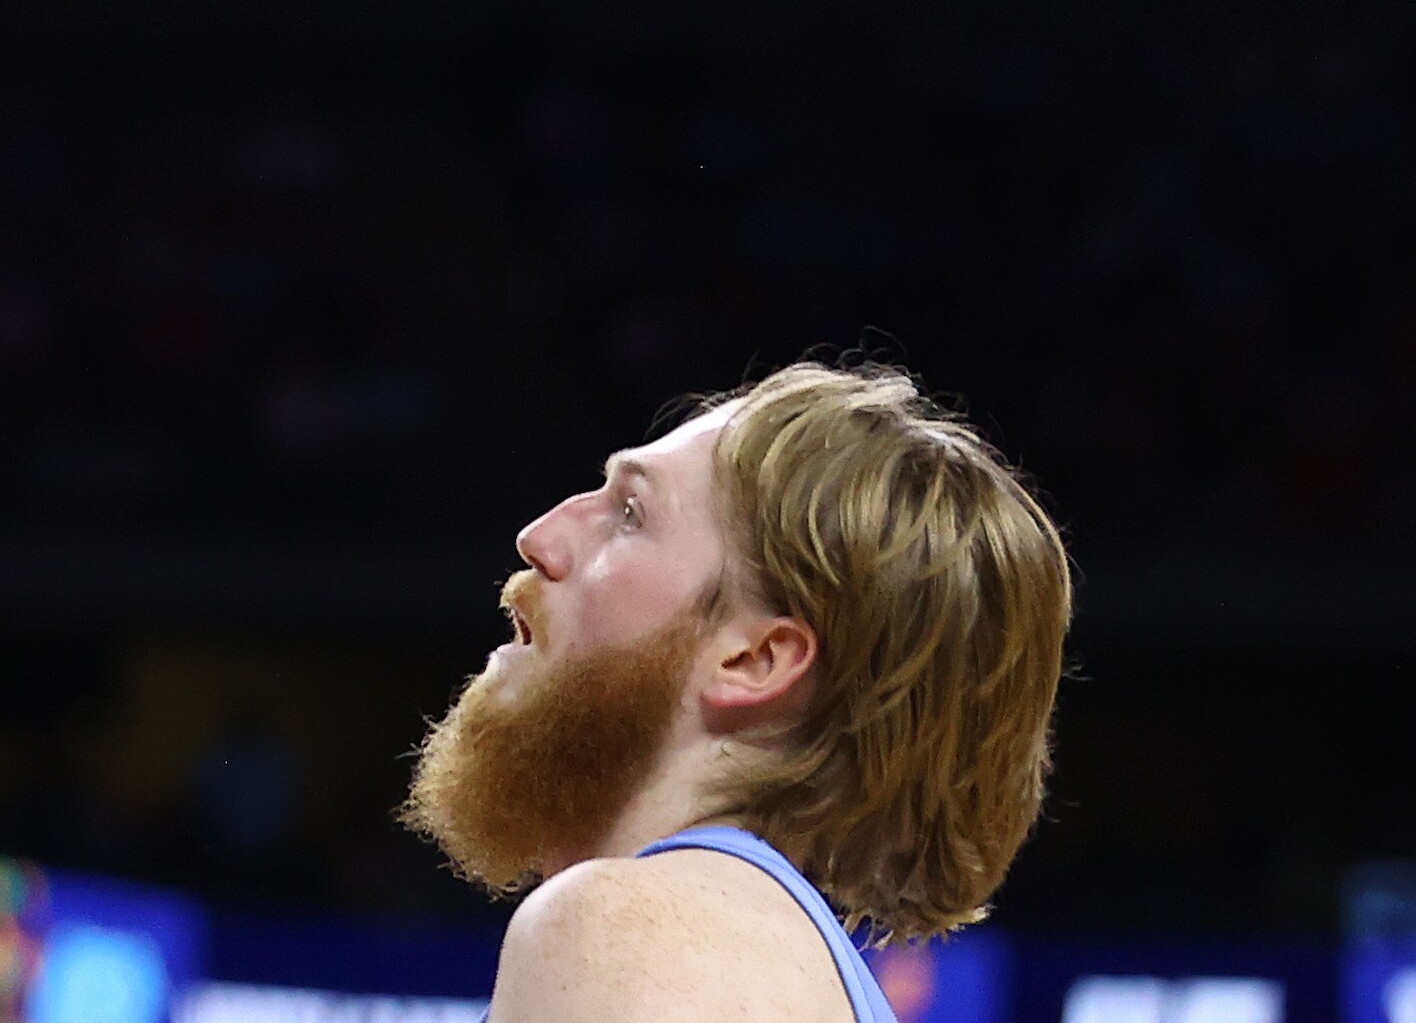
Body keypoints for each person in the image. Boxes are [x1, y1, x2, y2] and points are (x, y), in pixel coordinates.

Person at [402, 361, 1074, 1022]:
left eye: (631, 513)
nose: (540, 537)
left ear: (755, 659)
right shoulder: (753, 948)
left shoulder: (635, 933)